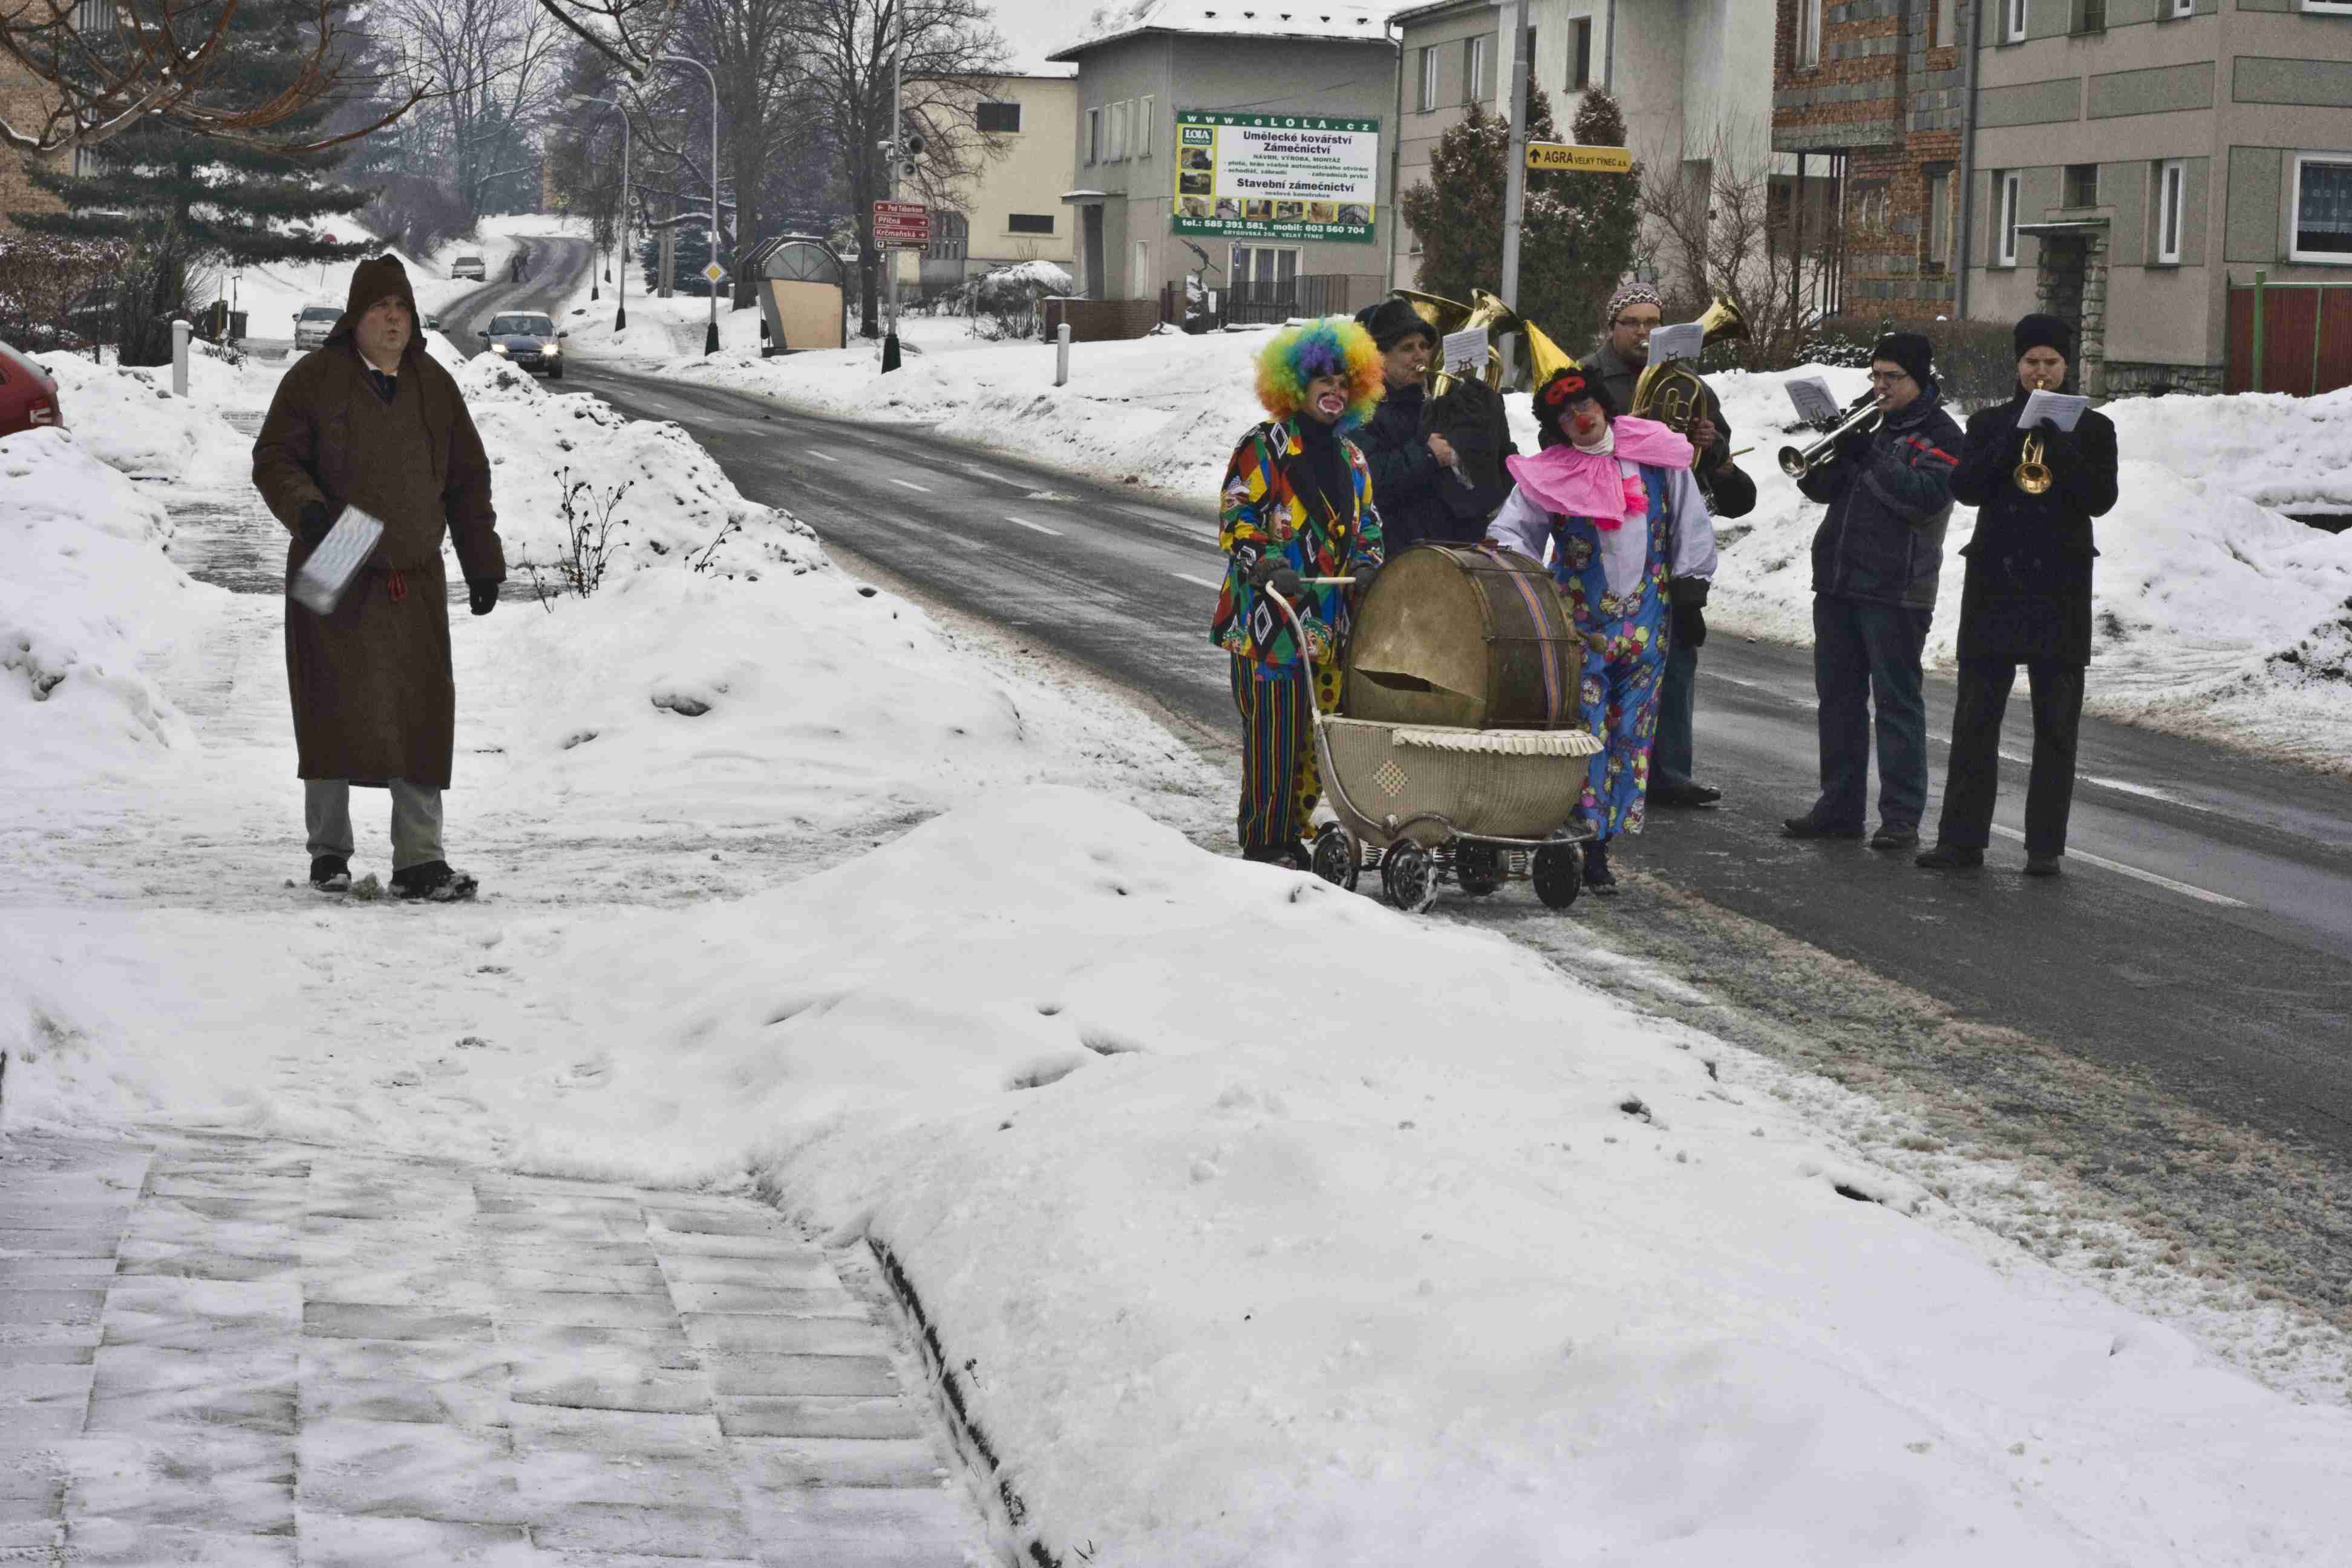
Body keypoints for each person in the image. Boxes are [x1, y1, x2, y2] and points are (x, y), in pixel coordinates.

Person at [252, 254, 506, 901]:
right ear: (355, 319)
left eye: (402, 308)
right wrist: (306, 507)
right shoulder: (315, 378)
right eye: (379, 308)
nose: (393, 319)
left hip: (413, 565)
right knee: (329, 703)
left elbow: (466, 481)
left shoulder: (435, 385)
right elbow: (274, 456)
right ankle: (329, 854)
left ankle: (420, 859)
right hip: (335, 548)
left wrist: (482, 561)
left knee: (422, 709)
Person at [1485, 367, 1714, 894]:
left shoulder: (1656, 454)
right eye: (1565, 415)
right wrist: (1528, 585)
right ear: (1556, 426)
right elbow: (1511, 532)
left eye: (1584, 404)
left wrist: (1692, 590)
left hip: (1648, 623)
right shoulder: (1551, 474)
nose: (1579, 418)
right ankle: (1582, 840)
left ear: (1603, 403)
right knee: (1585, 732)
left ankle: (1603, 843)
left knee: (1632, 735)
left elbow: (1690, 520)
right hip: (1579, 626)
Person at [1917, 314, 2118, 877]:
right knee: (1976, 718)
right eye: (2032, 363)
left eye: (2051, 363)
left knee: (2057, 725)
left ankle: (2044, 848)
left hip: (2061, 589)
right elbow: (1967, 488)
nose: (2042, 373)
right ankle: (1961, 840)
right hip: (1996, 585)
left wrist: (2061, 443)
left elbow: (2101, 499)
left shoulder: (2095, 429)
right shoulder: (1988, 424)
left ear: (2067, 367)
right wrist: (2017, 437)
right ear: (2017, 366)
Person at [1210, 316, 1387, 868]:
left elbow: (1370, 526)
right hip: (1268, 626)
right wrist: (1264, 564)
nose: (1334, 392)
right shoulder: (1264, 446)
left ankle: (1294, 831)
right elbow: (1237, 515)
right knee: (1272, 739)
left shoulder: (1353, 458)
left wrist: (1366, 564)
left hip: (1328, 628)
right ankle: (1266, 843)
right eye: (1323, 381)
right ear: (1295, 385)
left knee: (1314, 745)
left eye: (1343, 383)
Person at [1782, 332, 1962, 851]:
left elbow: (1925, 500)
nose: (1880, 386)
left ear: (1920, 378)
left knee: (1896, 703)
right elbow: (1821, 490)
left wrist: (1870, 457)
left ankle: (1901, 817)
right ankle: (1838, 807)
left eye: (1893, 378)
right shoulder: (1867, 418)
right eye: (1876, 376)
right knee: (1837, 700)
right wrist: (1829, 450)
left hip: (1897, 587)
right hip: (1838, 579)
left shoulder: (1943, 435)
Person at [1589, 283, 1756, 809]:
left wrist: (1710, 443)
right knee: (1604, 656)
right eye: (1632, 322)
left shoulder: (1689, 383)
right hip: (1608, 536)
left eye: (1652, 323)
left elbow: (1713, 465)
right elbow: (1561, 448)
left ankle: (1670, 772)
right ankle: (1600, 762)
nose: (1643, 333)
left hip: (1669, 537)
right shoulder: (1588, 377)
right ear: (1611, 328)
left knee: (1678, 651)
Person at [1348, 295, 1514, 552]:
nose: (1420, 355)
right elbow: (1370, 479)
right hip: (1403, 554)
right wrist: (1427, 455)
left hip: (1462, 552)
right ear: (1380, 358)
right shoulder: (1363, 412)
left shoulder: (1447, 404)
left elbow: (1495, 486)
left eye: (1424, 346)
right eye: (1407, 348)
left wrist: (1489, 422)